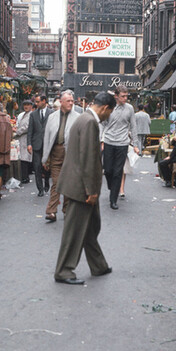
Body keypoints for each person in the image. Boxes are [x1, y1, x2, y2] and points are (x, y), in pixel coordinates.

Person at [53, 91, 116, 285]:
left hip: (78, 183)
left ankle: (98, 265)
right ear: (105, 108)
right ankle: (63, 271)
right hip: (81, 187)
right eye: (110, 112)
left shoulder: (82, 118)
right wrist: (92, 191)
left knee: (90, 228)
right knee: (74, 232)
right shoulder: (89, 123)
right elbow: (88, 159)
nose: (109, 116)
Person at [41, 90, 83, 222]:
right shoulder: (52, 117)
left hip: (71, 154)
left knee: (69, 183)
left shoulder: (78, 116)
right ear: (61, 102)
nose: (71, 103)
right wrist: (45, 158)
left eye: (72, 101)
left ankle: (67, 210)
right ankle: (51, 211)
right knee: (57, 183)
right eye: (68, 101)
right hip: (56, 153)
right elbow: (46, 137)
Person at [99, 87, 139, 210]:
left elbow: (133, 126)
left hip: (122, 143)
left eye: (127, 96)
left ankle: (113, 199)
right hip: (109, 142)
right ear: (116, 96)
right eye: (123, 96)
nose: (125, 98)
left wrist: (136, 144)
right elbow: (102, 123)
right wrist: (101, 140)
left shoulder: (130, 109)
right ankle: (112, 187)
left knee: (118, 171)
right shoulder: (109, 107)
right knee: (108, 170)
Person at [27, 93, 51, 196]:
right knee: (37, 167)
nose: (35, 104)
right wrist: (29, 144)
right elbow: (30, 130)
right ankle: (40, 189)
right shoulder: (33, 114)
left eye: (37, 101)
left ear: (44, 101)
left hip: (48, 144)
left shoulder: (52, 113)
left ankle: (46, 181)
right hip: (36, 144)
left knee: (47, 166)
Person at [14, 98, 34, 184]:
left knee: (24, 159)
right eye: (25, 105)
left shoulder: (30, 114)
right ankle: (24, 177)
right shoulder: (24, 114)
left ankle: (25, 177)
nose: (26, 106)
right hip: (22, 138)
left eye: (28, 105)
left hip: (25, 138)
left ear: (31, 106)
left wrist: (17, 132)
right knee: (23, 158)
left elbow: (26, 127)